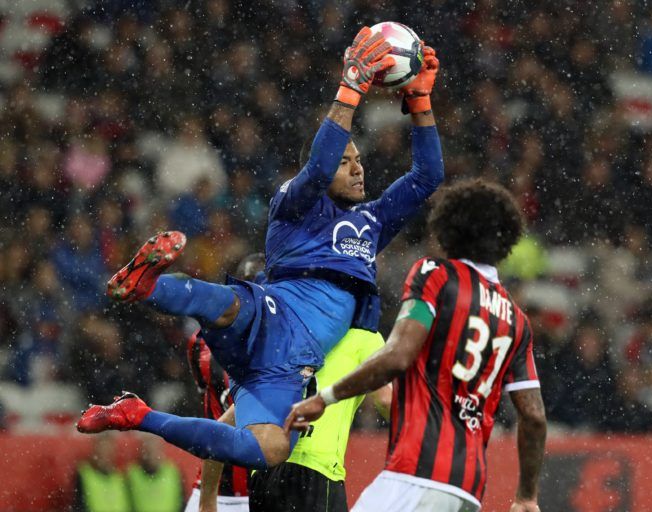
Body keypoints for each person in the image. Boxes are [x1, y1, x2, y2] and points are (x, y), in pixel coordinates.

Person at [77, 26, 443, 477]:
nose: (357, 168)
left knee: (270, 449)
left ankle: (138, 416)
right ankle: (145, 287)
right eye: (345, 162)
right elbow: (318, 167)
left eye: (359, 161)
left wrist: (421, 103)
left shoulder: (371, 222)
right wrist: (349, 90)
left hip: (290, 365)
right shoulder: (295, 204)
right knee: (231, 304)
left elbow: (427, 176)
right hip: (278, 308)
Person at [286, 180, 548, 512]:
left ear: (448, 227)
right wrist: (527, 495)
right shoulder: (516, 319)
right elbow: (535, 416)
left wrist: (325, 398)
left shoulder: (436, 275)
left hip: (416, 474)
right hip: (467, 489)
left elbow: (398, 356)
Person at [191, 253, 392, 512]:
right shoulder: (365, 338)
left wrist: (207, 501)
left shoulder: (281, 335)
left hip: (265, 475)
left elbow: (221, 428)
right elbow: (388, 402)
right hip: (316, 472)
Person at [73, 433, 130, 512]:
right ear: (95, 452)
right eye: (101, 451)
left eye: (107, 452)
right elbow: (78, 506)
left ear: (113, 453)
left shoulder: (120, 478)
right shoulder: (84, 475)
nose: (105, 456)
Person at [126, 435, 184, 512]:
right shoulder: (132, 474)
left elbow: (182, 502)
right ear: (142, 452)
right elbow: (126, 503)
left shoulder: (172, 472)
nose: (151, 455)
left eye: (154, 450)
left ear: (161, 451)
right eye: (148, 451)